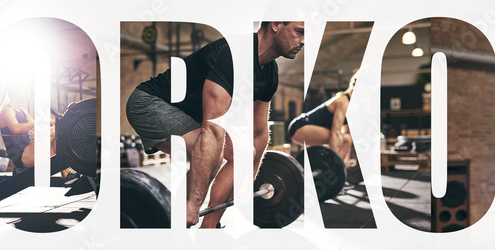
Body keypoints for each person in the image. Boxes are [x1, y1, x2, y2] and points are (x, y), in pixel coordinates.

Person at [125, 21, 304, 228]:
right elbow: (212, 129)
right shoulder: (233, 55)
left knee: (244, 152)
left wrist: (249, 180)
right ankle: (181, 213)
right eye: (299, 32)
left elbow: (259, 133)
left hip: (188, 114)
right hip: (149, 103)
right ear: (276, 24)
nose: (304, 41)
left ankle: (208, 229)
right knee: (213, 153)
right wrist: (194, 203)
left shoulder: (269, 73)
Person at [288, 69, 358, 170]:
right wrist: (332, 164)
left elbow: (348, 134)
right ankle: (334, 170)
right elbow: (335, 134)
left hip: (313, 130)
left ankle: (335, 173)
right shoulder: (343, 101)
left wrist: (345, 160)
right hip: (299, 127)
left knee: (346, 139)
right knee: (343, 138)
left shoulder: (354, 107)